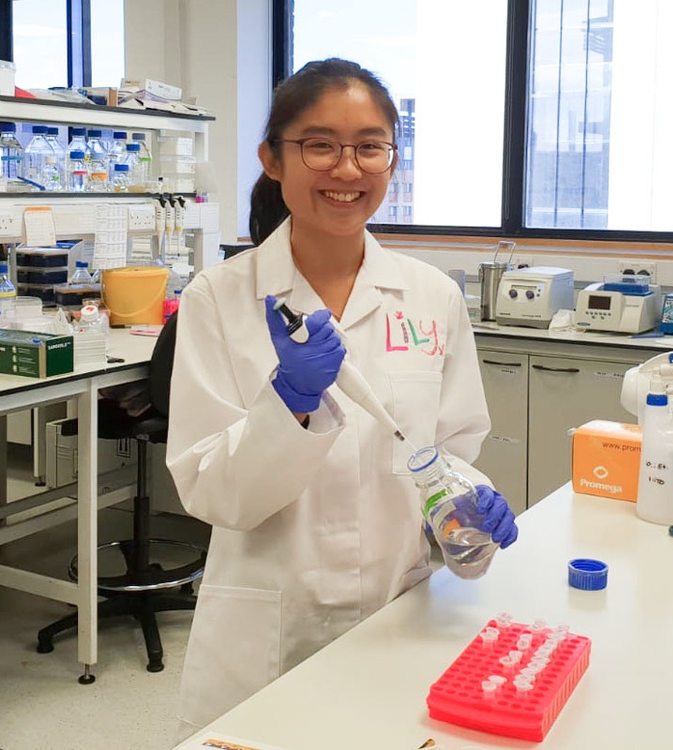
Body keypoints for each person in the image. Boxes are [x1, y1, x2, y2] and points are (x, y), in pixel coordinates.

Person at [166, 58, 518, 735]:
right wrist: (290, 403)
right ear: (274, 158)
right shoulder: (219, 297)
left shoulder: (431, 297)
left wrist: (464, 501)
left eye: (369, 146)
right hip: (268, 620)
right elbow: (211, 491)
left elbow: (446, 448)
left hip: (398, 608)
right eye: (320, 145)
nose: (347, 169)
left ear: (392, 157)